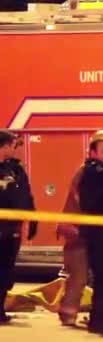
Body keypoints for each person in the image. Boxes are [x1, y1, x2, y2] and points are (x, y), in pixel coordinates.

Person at [57, 129, 103, 326]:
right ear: (93, 152)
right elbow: (89, 202)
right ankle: (68, 313)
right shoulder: (89, 172)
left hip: (93, 231)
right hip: (78, 230)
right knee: (79, 274)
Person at [0, 131, 36, 324]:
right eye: (14, 145)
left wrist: (32, 219)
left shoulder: (16, 170)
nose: (16, 149)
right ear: (4, 146)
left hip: (12, 229)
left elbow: (26, 196)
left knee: (6, 270)